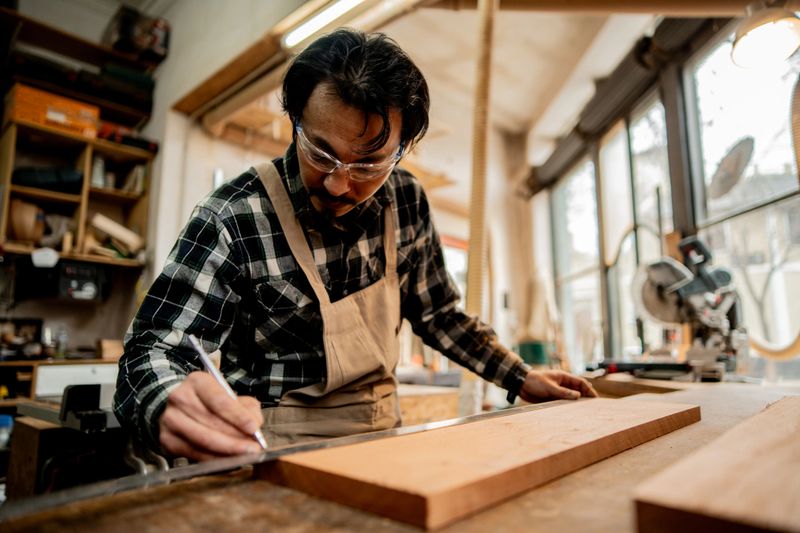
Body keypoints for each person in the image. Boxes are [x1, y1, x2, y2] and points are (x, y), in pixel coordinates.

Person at [113, 28, 596, 462]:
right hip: (269, 449)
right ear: (294, 118)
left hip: (383, 439)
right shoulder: (232, 217)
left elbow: (439, 314)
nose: (339, 185)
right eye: (321, 153)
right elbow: (152, 350)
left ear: (403, 149)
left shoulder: (406, 200)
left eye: (367, 166)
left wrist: (518, 376)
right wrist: (165, 401)